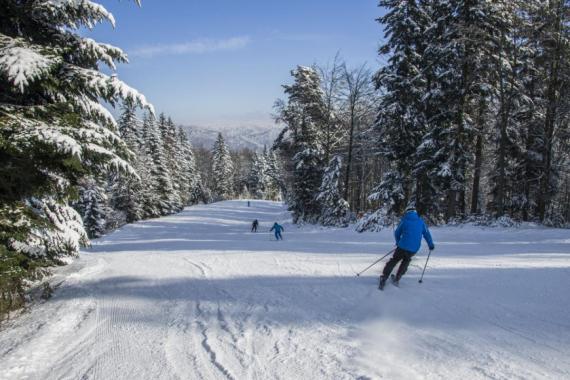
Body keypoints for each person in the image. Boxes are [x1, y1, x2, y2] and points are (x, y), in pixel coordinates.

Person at [379, 204, 434, 289]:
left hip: (402, 246)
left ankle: (384, 277)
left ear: (407, 212)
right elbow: (427, 234)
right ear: (415, 212)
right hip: (414, 248)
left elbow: (397, 233)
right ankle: (397, 279)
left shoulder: (404, 221)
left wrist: (398, 242)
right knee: (406, 261)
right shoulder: (421, 221)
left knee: (394, 260)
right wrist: (431, 245)